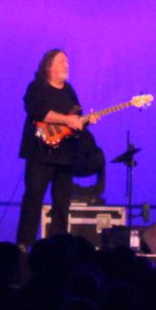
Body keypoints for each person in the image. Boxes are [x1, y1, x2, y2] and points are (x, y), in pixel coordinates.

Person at [18, 48, 94, 247]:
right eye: (61, 61)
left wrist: (86, 121)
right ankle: (24, 243)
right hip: (40, 153)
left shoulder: (69, 91)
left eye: (67, 62)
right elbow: (38, 112)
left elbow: (75, 119)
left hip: (65, 154)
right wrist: (67, 119)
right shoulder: (37, 87)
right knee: (33, 197)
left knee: (62, 202)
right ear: (49, 65)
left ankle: (59, 245)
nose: (66, 65)